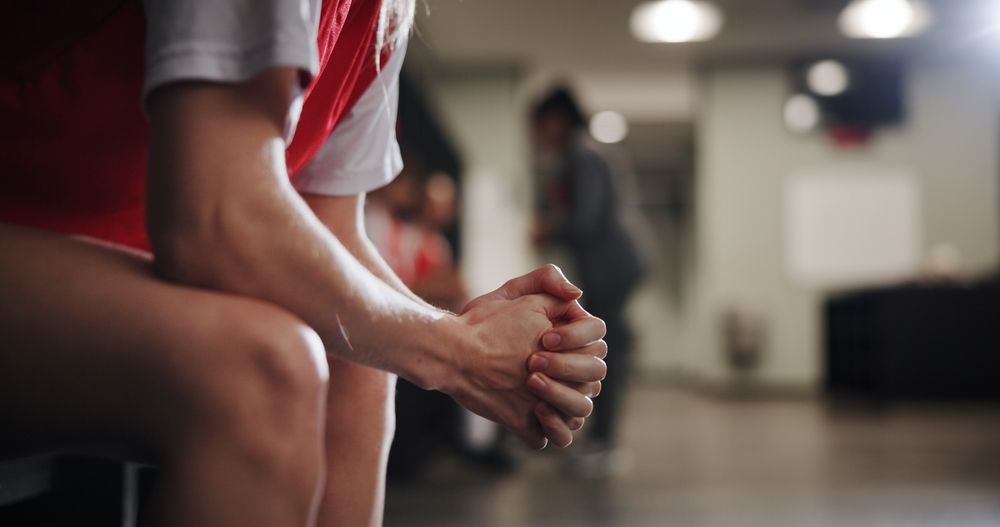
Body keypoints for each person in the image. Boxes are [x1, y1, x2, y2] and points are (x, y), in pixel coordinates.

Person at [0, 2, 608, 526]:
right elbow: (214, 221)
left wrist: (496, 344)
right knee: (260, 367)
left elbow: (331, 234)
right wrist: (461, 350)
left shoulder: (381, 21)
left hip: (90, 260)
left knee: (360, 363)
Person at [531, 87, 645, 477]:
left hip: (611, 265)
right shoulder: (584, 153)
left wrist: (547, 230)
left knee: (605, 350)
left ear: (555, 120)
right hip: (613, 264)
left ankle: (604, 444)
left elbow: (585, 218)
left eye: (540, 127)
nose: (538, 138)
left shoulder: (581, 154)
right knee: (605, 347)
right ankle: (602, 440)